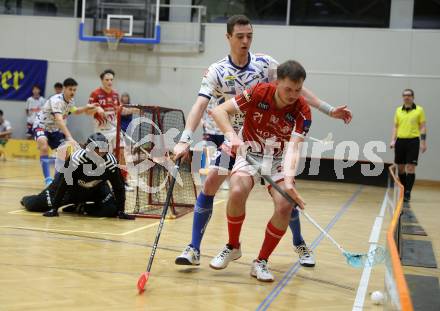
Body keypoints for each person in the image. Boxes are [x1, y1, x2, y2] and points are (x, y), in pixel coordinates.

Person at [174, 14, 352, 268]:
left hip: (266, 142)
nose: (245, 41)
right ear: (228, 38)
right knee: (212, 182)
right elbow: (201, 105)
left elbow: (296, 88)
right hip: (231, 138)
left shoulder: (265, 64)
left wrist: (328, 109)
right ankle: (194, 248)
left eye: (249, 36)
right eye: (240, 36)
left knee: (284, 194)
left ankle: (299, 242)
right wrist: (184, 140)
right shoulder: (217, 71)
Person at [209, 60, 310, 281]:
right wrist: (233, 136)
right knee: (236, 191)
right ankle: (233, 246)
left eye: (298, 89)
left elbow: (294, 147)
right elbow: (219, 111)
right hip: (249, 153)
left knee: (285, 205)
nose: (293, 95)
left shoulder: (302, 110)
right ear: (277, 83)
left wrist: (290, 181)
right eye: (288, 89)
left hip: (278, 160)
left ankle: (261, 261)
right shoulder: (259, 92)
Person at [35, 132, 134, 219]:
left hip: (96, 190)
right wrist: (54, 208)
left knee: (112, 210)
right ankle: (28, 200)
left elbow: (119, 187)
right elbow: (63, 183)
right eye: (97, 150)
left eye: (103, 150)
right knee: (35, 205)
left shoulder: (111, 162)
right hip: (71, 190)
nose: (100, 153)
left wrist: (121, 211)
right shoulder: (76, 159)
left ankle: (81, 207)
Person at [33, 78, 100, 185]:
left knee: (64, 152)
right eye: (70, 89)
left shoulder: (70, 101)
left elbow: (75, 111)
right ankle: (48, 180)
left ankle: (56, 180)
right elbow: (59, 120)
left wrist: (86, 107)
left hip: (54, 130)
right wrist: (69, 136)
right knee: (43, 145)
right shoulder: (56, 100)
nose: (72, 92)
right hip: (41, 126)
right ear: (64, 89)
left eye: (74, 90)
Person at [390, 88, 427, 203]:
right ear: (403, 97)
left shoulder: (419, 110)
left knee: (410, 167)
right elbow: (396, 126)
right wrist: (393, 140)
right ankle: (404, 188)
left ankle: (407, 193)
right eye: (405, 95)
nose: (407, 97)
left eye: (409, 95)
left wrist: (423, 142)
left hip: (413, 141)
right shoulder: (398, 110)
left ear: (413, 97)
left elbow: (422, 126)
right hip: (400, 141)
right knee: (400, 168)